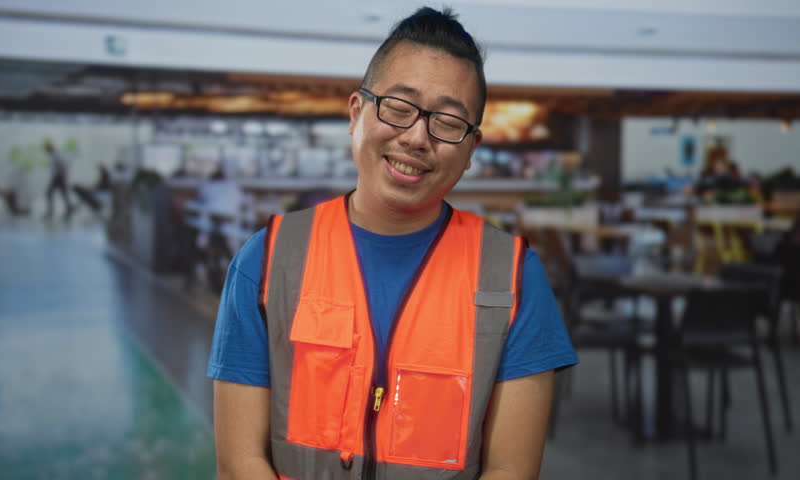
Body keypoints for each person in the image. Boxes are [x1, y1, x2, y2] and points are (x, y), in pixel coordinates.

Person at [207, 7, 577, 480]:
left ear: (470, 150)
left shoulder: (513, 277)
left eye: (447, 123)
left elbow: (511, 470)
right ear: (357, 113)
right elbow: (239, 463)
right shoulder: (267, 260)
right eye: (398, 110)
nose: (417, 138)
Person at [43, 140, 74, 218]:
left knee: (49, 193)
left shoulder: (57, 155)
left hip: (58, 177)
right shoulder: (53, 155)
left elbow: (63, 166)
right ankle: (69, 207)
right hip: (58, 177)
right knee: (62, 193)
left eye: (47, 149)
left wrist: (62, 177)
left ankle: (51, 210)